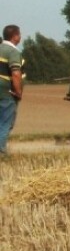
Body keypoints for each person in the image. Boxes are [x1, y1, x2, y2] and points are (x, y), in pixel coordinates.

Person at [0, 25, 24, 156]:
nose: (20, 37)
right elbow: (15, 73)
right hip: (6, 91)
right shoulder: (13, 52)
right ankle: (1, 151)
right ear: (14, 36)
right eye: (19, 34)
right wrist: (18, 91)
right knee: (5, 122)